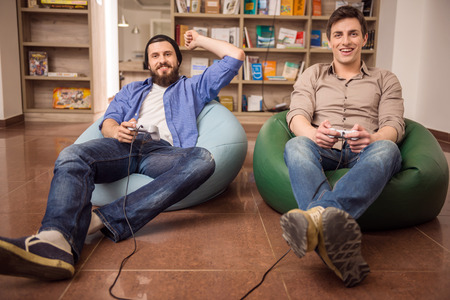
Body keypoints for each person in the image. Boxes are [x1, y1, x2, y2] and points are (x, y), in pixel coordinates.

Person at [0, 31, 244, 281]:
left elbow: (235, 56)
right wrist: (117, 130)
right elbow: (107, 123)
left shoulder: (194, 86)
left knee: (203, 160)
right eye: (155, 56)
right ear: (148, 63)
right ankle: (54, 240)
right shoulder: (130, 90)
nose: (162, 60)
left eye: (168, 54)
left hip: (163, 152)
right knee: (71, 155)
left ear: (177, 60)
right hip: (124, 146)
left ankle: (103, 220)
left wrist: (200, 41)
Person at [280, 6, 404, 287]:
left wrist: (373, 138)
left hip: (366, 150)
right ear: (329, 40)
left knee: (389, 149)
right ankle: (332, 232)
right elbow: (296, 114)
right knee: (296, 145)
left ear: (364, 38)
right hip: (324, 146)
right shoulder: (313, 74)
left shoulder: (386, 78)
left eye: (352, 34)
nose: (345, 41)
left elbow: (394, 123)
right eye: (338, 35)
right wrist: (312, 133)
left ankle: (314, 218)